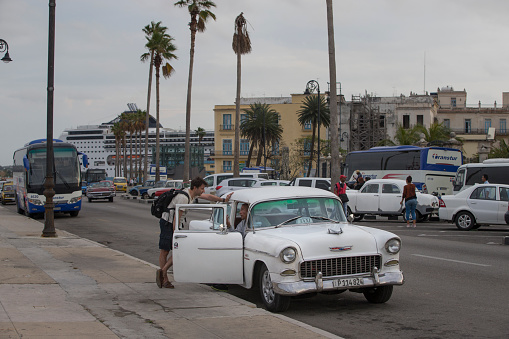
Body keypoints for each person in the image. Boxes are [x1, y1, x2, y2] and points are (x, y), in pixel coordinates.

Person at [157, 177, 233, 289]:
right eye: (202, 188)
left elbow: (208, 197)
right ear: (195, 187)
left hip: (174, 223)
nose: (203, 191)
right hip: (168, 223)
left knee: (178, 249)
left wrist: (223, 200)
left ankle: (162, 272)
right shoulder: (183, 197)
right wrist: (176, 234)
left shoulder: (191, 194)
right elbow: (176, 219)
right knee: (165, 251)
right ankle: (164, 278)